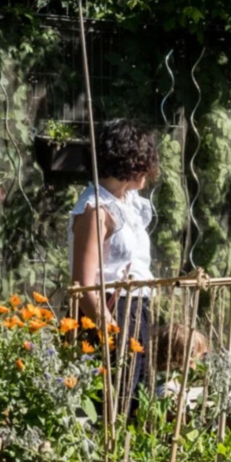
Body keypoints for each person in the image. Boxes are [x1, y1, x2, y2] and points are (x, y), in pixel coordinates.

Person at [71, 118, 157, 396]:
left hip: (136, 310)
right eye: (143, 160)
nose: (149, 169)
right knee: (114, 398)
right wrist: (111, 331)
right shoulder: (96, 209)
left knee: (137, 399)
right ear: (127, 161)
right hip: (109, 310)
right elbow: (83, 286)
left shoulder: (126, 204)